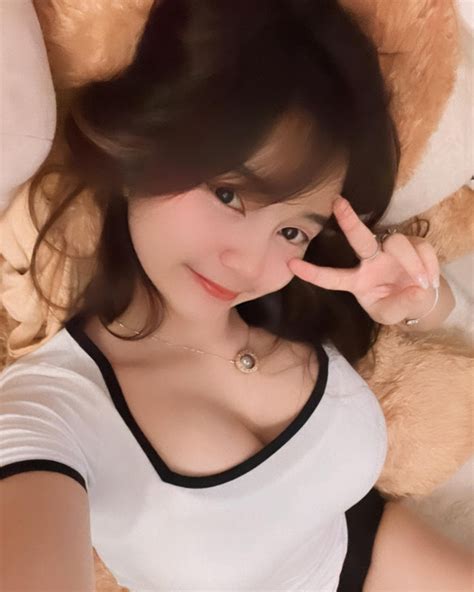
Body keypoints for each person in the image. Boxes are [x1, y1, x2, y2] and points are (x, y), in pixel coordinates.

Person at [0, 1, 471, 591]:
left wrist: (421, 303)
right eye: (228, 194)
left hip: (373, 547)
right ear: (145, 144)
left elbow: (453, 325)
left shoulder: (302, 297)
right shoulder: (52, 407)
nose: (251, 263)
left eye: (292, 230)